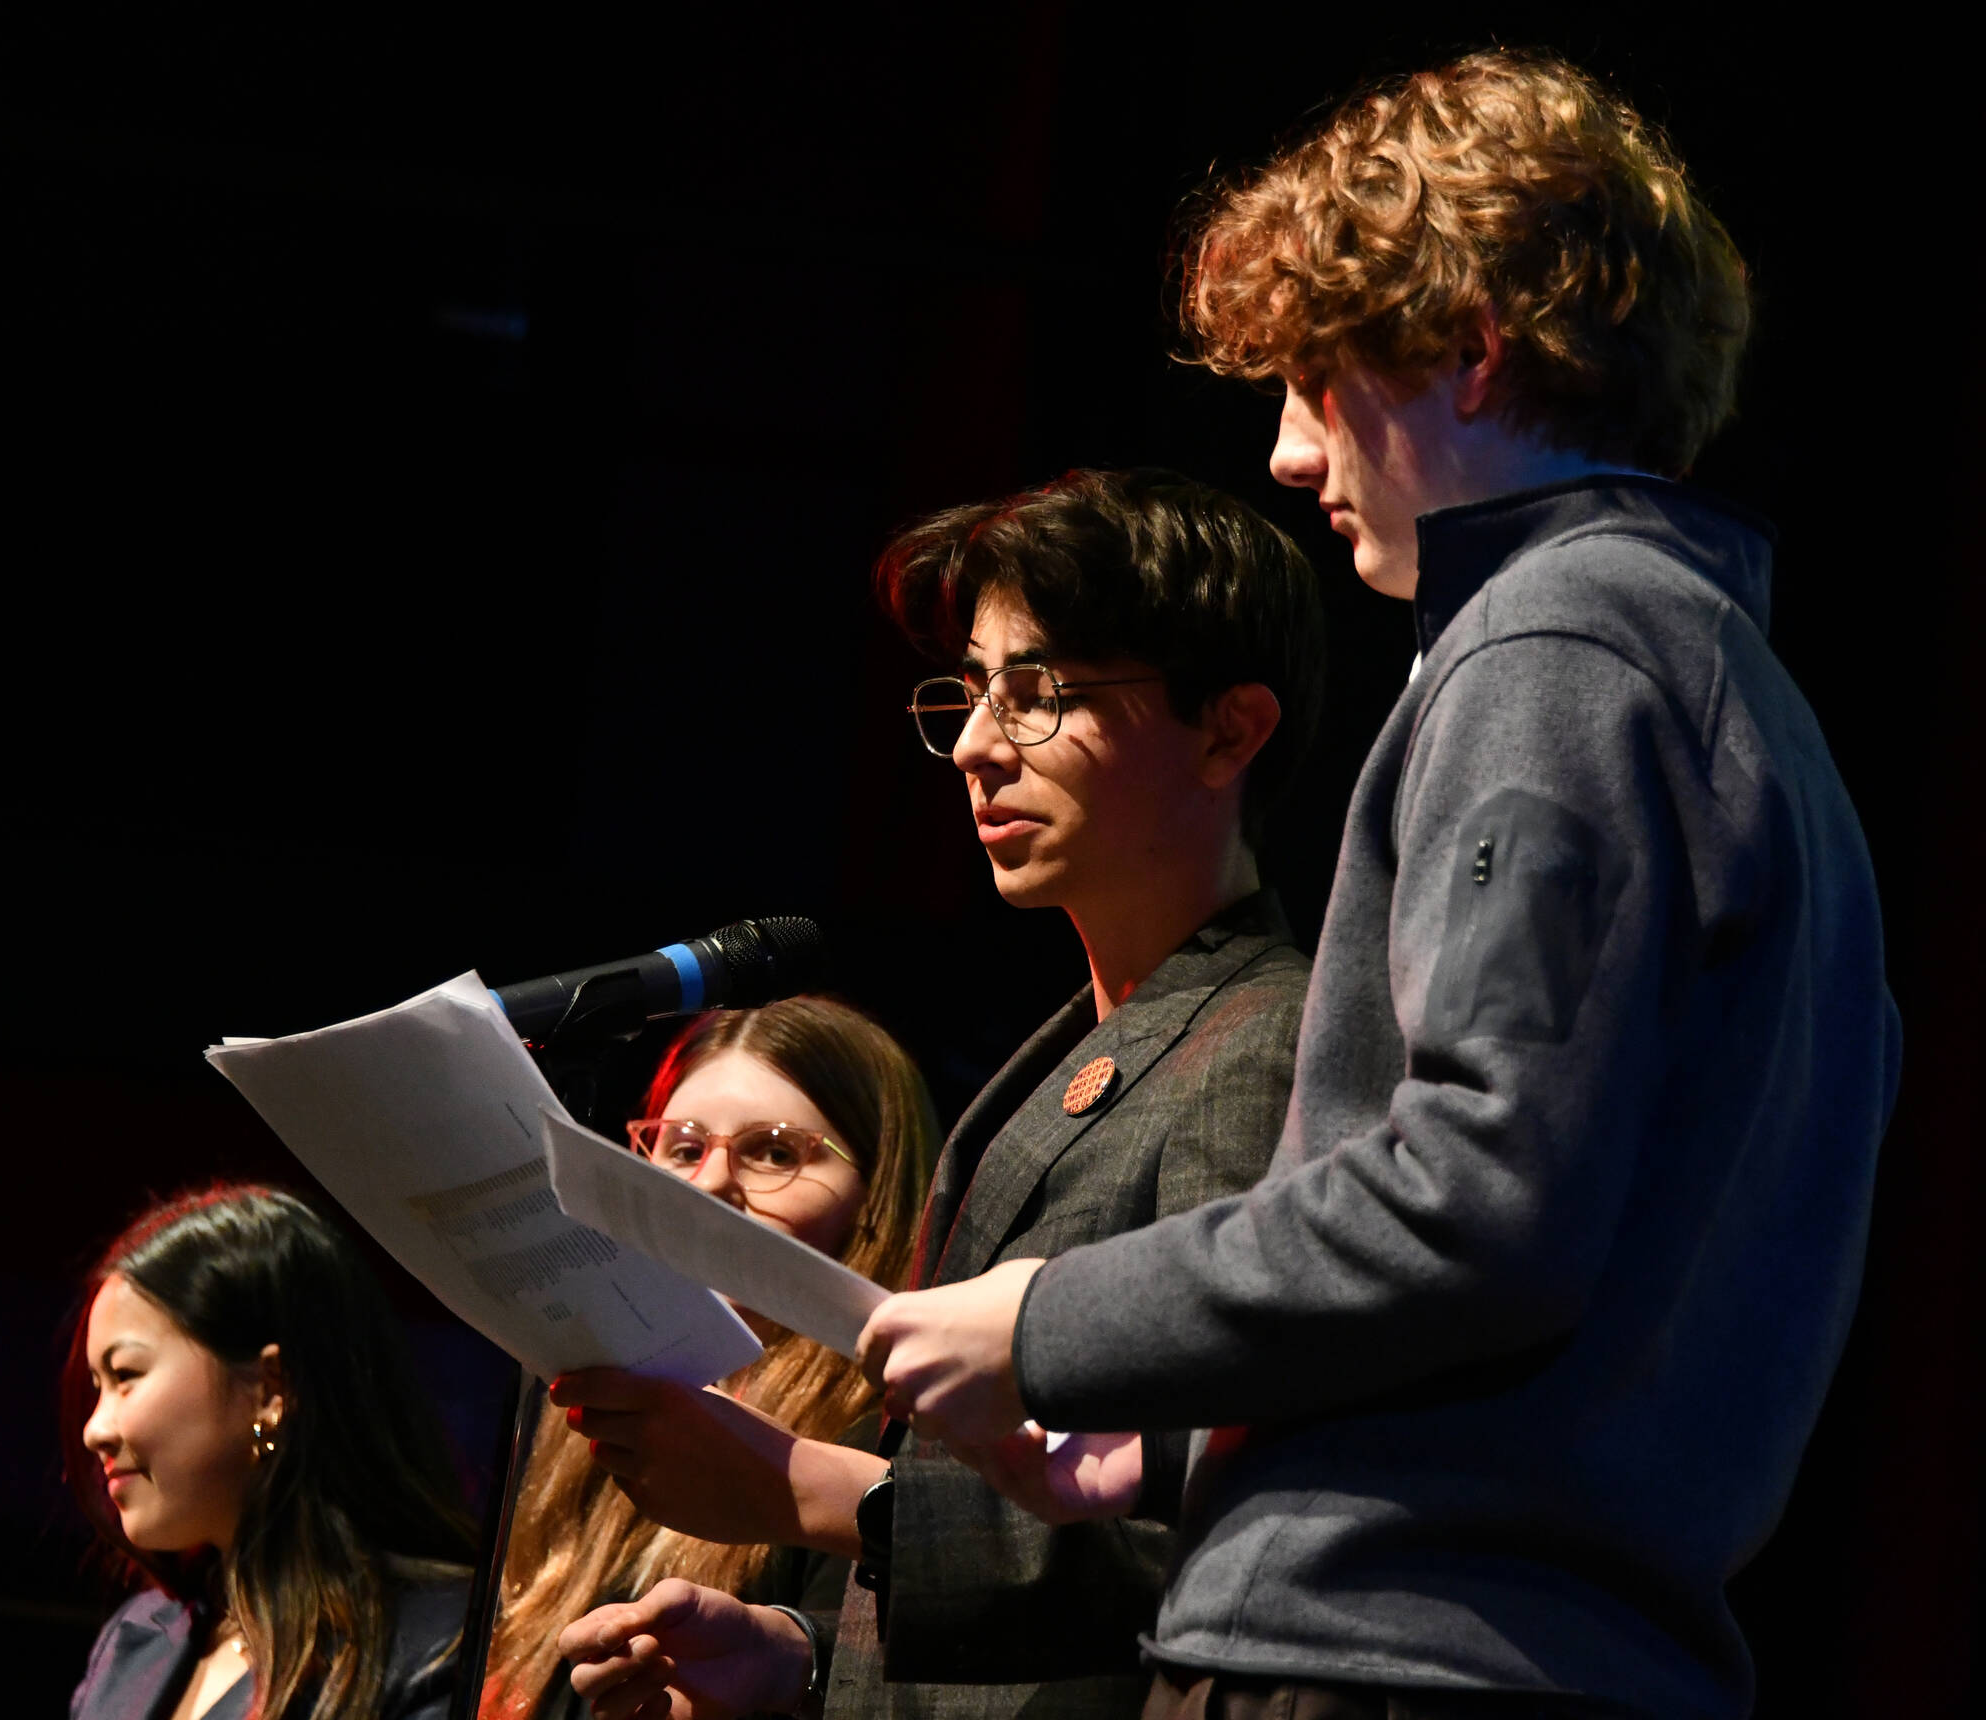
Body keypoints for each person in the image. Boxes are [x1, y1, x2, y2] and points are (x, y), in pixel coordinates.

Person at [859, 48, 1904, 1720]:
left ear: (1471, 354)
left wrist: (1049, 1319)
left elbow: (1476, 1202)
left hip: (1380, 1658)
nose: (1285, 453)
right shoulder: (1724, 683)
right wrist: (1179, 1440)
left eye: (1312, 380)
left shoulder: (1552, 648)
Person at [550, 467, 1324, 1720]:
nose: (973, 745)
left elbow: (1203, 1527)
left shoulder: (1263, 1046)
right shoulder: (1076, 1048)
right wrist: (798, 1659)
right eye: (972, 691)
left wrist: (810, 1489)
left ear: (1228, 731)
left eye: (1038, 694)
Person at [480, 996, 937, 1719]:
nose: (711, 1184)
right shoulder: (591, 1409)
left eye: (774, 1152)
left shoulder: (898, 1433)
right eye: (684, 1149)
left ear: (876, 1193)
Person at [64, 1183, 477, 1720]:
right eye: (97, 1385)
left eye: (126, 1375)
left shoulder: (438, 1646)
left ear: (269, 1389)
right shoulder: (134, 1642)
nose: (94, 1430)